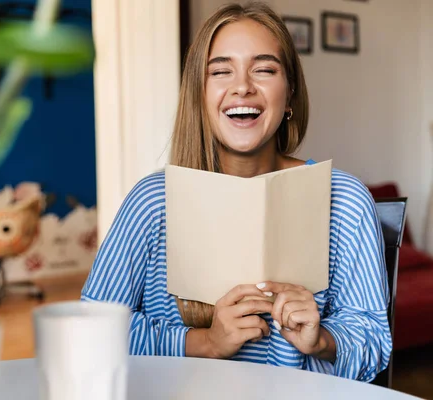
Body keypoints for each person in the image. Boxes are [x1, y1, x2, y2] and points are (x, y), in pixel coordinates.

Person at [81, 2, 391, 382]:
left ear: (290, 93)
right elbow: (93, 330)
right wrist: (204, 342)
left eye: (264, 69)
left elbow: (374, 338)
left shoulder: (343, 198)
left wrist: (322, 339)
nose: (242, 86)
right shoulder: (153, 201)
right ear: (199, 94)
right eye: (221, 71)